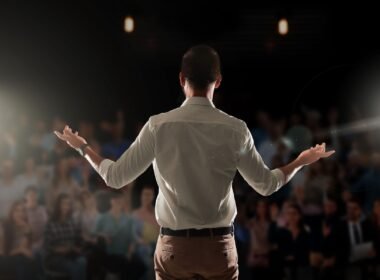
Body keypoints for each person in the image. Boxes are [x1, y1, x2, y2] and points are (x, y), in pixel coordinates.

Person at [54, 45, 335, 279]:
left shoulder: (158, 126)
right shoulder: (236, 129)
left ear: (181, 79)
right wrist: (300, 160)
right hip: (219, 248)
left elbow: (114, 178)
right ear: (219, 80)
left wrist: (83, 148)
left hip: (174, 249)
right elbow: (267, 185)